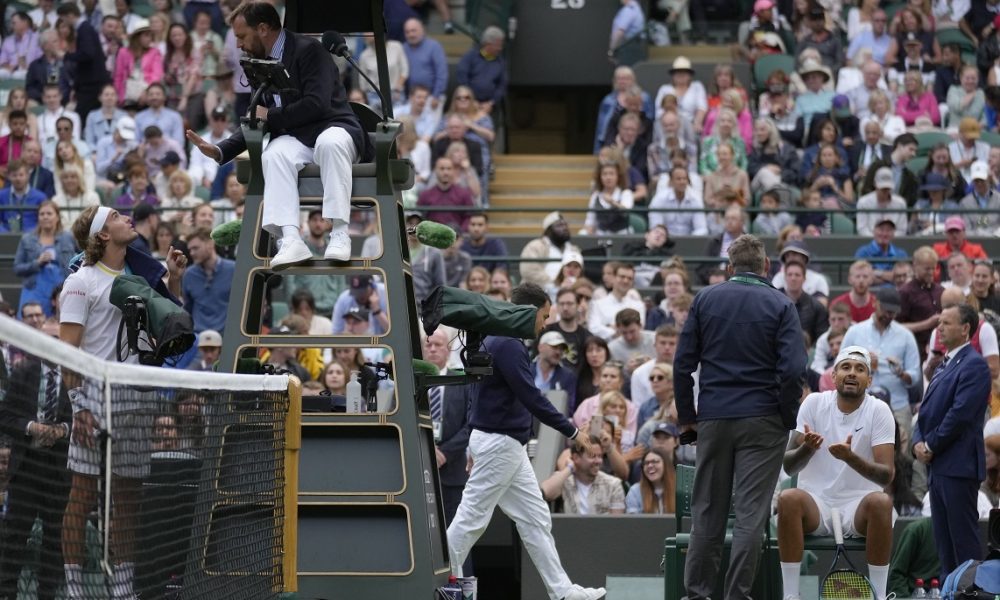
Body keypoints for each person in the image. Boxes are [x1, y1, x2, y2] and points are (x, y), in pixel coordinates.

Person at [446, 282, 606, 600]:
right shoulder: (508, 344)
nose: (544, 324)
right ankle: (439, 580)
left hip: (504, 445)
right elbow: (532, 398)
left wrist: (472, 441)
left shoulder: (501, 339)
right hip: (499, 444)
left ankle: (562, 592)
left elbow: (479, 393)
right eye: (544, 316)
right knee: (471, 519)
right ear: (529, 312)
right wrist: (574, 432)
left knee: (535, 518)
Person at [59, 205, 186, 600]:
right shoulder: (80, 283)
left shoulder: (140, 277)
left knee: (128, 499)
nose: (127, 218)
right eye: (116, 216)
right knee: (81, 494)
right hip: (93, 398)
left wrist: (175, 282)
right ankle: (77, 589)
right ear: (101, 234)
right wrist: (78, 405)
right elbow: (69, 352)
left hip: (135, 395)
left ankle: (123, 589)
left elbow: (168, 327)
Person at [186, 2, 373, 269]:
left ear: (262, 29)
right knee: (273, 154)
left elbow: (316, 104)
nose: (238, 44)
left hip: (336, 129)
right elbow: (257, 115)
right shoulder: (258, 61)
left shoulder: (310, 51)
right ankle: (290, 238)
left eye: (241, 36)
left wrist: (269, 117)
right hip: (297, 137)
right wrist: (222, 149)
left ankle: (340, 232)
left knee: (329, 144)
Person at [674, 234, 805, 600]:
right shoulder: (781, 304)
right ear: (767, 267)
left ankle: (697, 595)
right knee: (751, 516)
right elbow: (794, 369)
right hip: (763, 420)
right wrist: (785, 417)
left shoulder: (705, 299)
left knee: (707, 514)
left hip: (714, 417)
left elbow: (682, 364)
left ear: (729, 268)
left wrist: (688, 417)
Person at [776, 345, 896, 600]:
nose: (852, 373)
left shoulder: (879, 410)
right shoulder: (813, 402)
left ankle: (880, 595)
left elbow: (886, 476)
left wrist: (850, 458)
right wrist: (806, 449)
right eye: (846, 367)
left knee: (882, 502)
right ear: (834, 375)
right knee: (787, 499)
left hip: (859, 507)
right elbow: (788, 464)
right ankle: (790, 595)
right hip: (816, 505)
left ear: (869, 380)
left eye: (860, 369)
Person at [914, 304, 993, 579]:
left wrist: (930, 445)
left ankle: (973, 594)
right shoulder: (944, 363)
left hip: (958, 467)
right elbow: (925, 411)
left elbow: (960, 414)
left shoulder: (975, 365)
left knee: (963, 544)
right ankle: (951, 594)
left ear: (965, 329)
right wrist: (917, 441)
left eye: (947, 323)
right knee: (944, 546)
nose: (940, 327)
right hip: (937, 467)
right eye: (940, 322)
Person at [0, 350, 72, 600]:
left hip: (59, 470)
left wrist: (62, 430)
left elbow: (85, 421)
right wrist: (32, 428)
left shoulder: (76, 376)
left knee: (54, 540)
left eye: (58, 341)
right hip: (26, 467)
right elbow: (5, 415)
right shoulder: (23, 374)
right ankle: (7, 594)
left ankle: (47, 596)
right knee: (15, 536)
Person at [842, 286, 921, 447]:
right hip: (860, 404)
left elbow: (914, 376)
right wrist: (861, 363)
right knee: (858, 451)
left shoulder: (905, 336)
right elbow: (840, 366)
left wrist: (900, 372)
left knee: (900, 455)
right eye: (886, 310)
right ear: (875, 303)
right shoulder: (855, 331)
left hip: (897, 405)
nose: (888, 315)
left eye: (893, 312)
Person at [422, 328, 473, 556]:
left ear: (449, 348)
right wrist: (427, 450)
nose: (432, 349)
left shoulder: (461, 381)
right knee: (424, 538)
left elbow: (471, 423)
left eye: (438, 345)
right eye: (428, 344)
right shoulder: (411, 384)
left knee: (457, 537)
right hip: (420, 472)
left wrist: (445, 452)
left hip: (453, 473)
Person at [14, 200, 76, 317]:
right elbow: (17, 268)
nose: (45, 217)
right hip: (33, 290)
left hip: (61, 290)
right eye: (42, 214)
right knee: (30, 322)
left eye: (49, 214)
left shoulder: (68, 237)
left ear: (57, 217)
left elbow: (82, 257)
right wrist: (37, 263)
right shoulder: (27, 239)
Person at [541, 435, 626, 515]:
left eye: (600, 456)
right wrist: (569, 468)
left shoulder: (613, 485)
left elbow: (617, 525)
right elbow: (545, 492)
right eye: (592, 456)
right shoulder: (564, 480)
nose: (598, 461)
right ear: (576, 458)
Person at [57, 2, 110, 125]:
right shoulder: (84, 28)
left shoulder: (84, 29)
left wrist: (66, 55)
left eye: (63, 18)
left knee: (82, 117)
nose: (64, 22)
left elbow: (88, 54)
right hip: (89, 82)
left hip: (92, 84)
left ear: (70, 15)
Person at [182, 227, 233, 335]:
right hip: (198, 338)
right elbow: (188, 309)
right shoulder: (189, 274)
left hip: (228, 337)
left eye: (195, 248)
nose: (191, 253)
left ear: (210, 244)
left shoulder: (234, 270)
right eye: (190, 249)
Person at [519, 211, 581, 290]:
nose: (564, 228)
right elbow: (528, 271)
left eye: (565, 225)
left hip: (569, 292)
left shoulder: (574, 249)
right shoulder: (535, 246)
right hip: (539, 293)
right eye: (559, 226)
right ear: (548, 231)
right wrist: (555, 284)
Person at [455, 26, 507, 111]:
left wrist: (491, 102)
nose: (500, 48)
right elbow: (462, 78)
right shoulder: (470, 56)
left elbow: (502, 85)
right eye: (497, 45)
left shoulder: (500, 62)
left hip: (490, 107)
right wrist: (471, 100)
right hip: (468, 104)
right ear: (488, 44)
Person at [0, 158, 49, 232]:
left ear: (28, 175)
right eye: (14, 175)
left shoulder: (40, 197)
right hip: (6, 237)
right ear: (9, 176)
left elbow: (43, 222)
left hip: (32, 238)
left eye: (21, 175)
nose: (18, 178)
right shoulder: (1, 195)